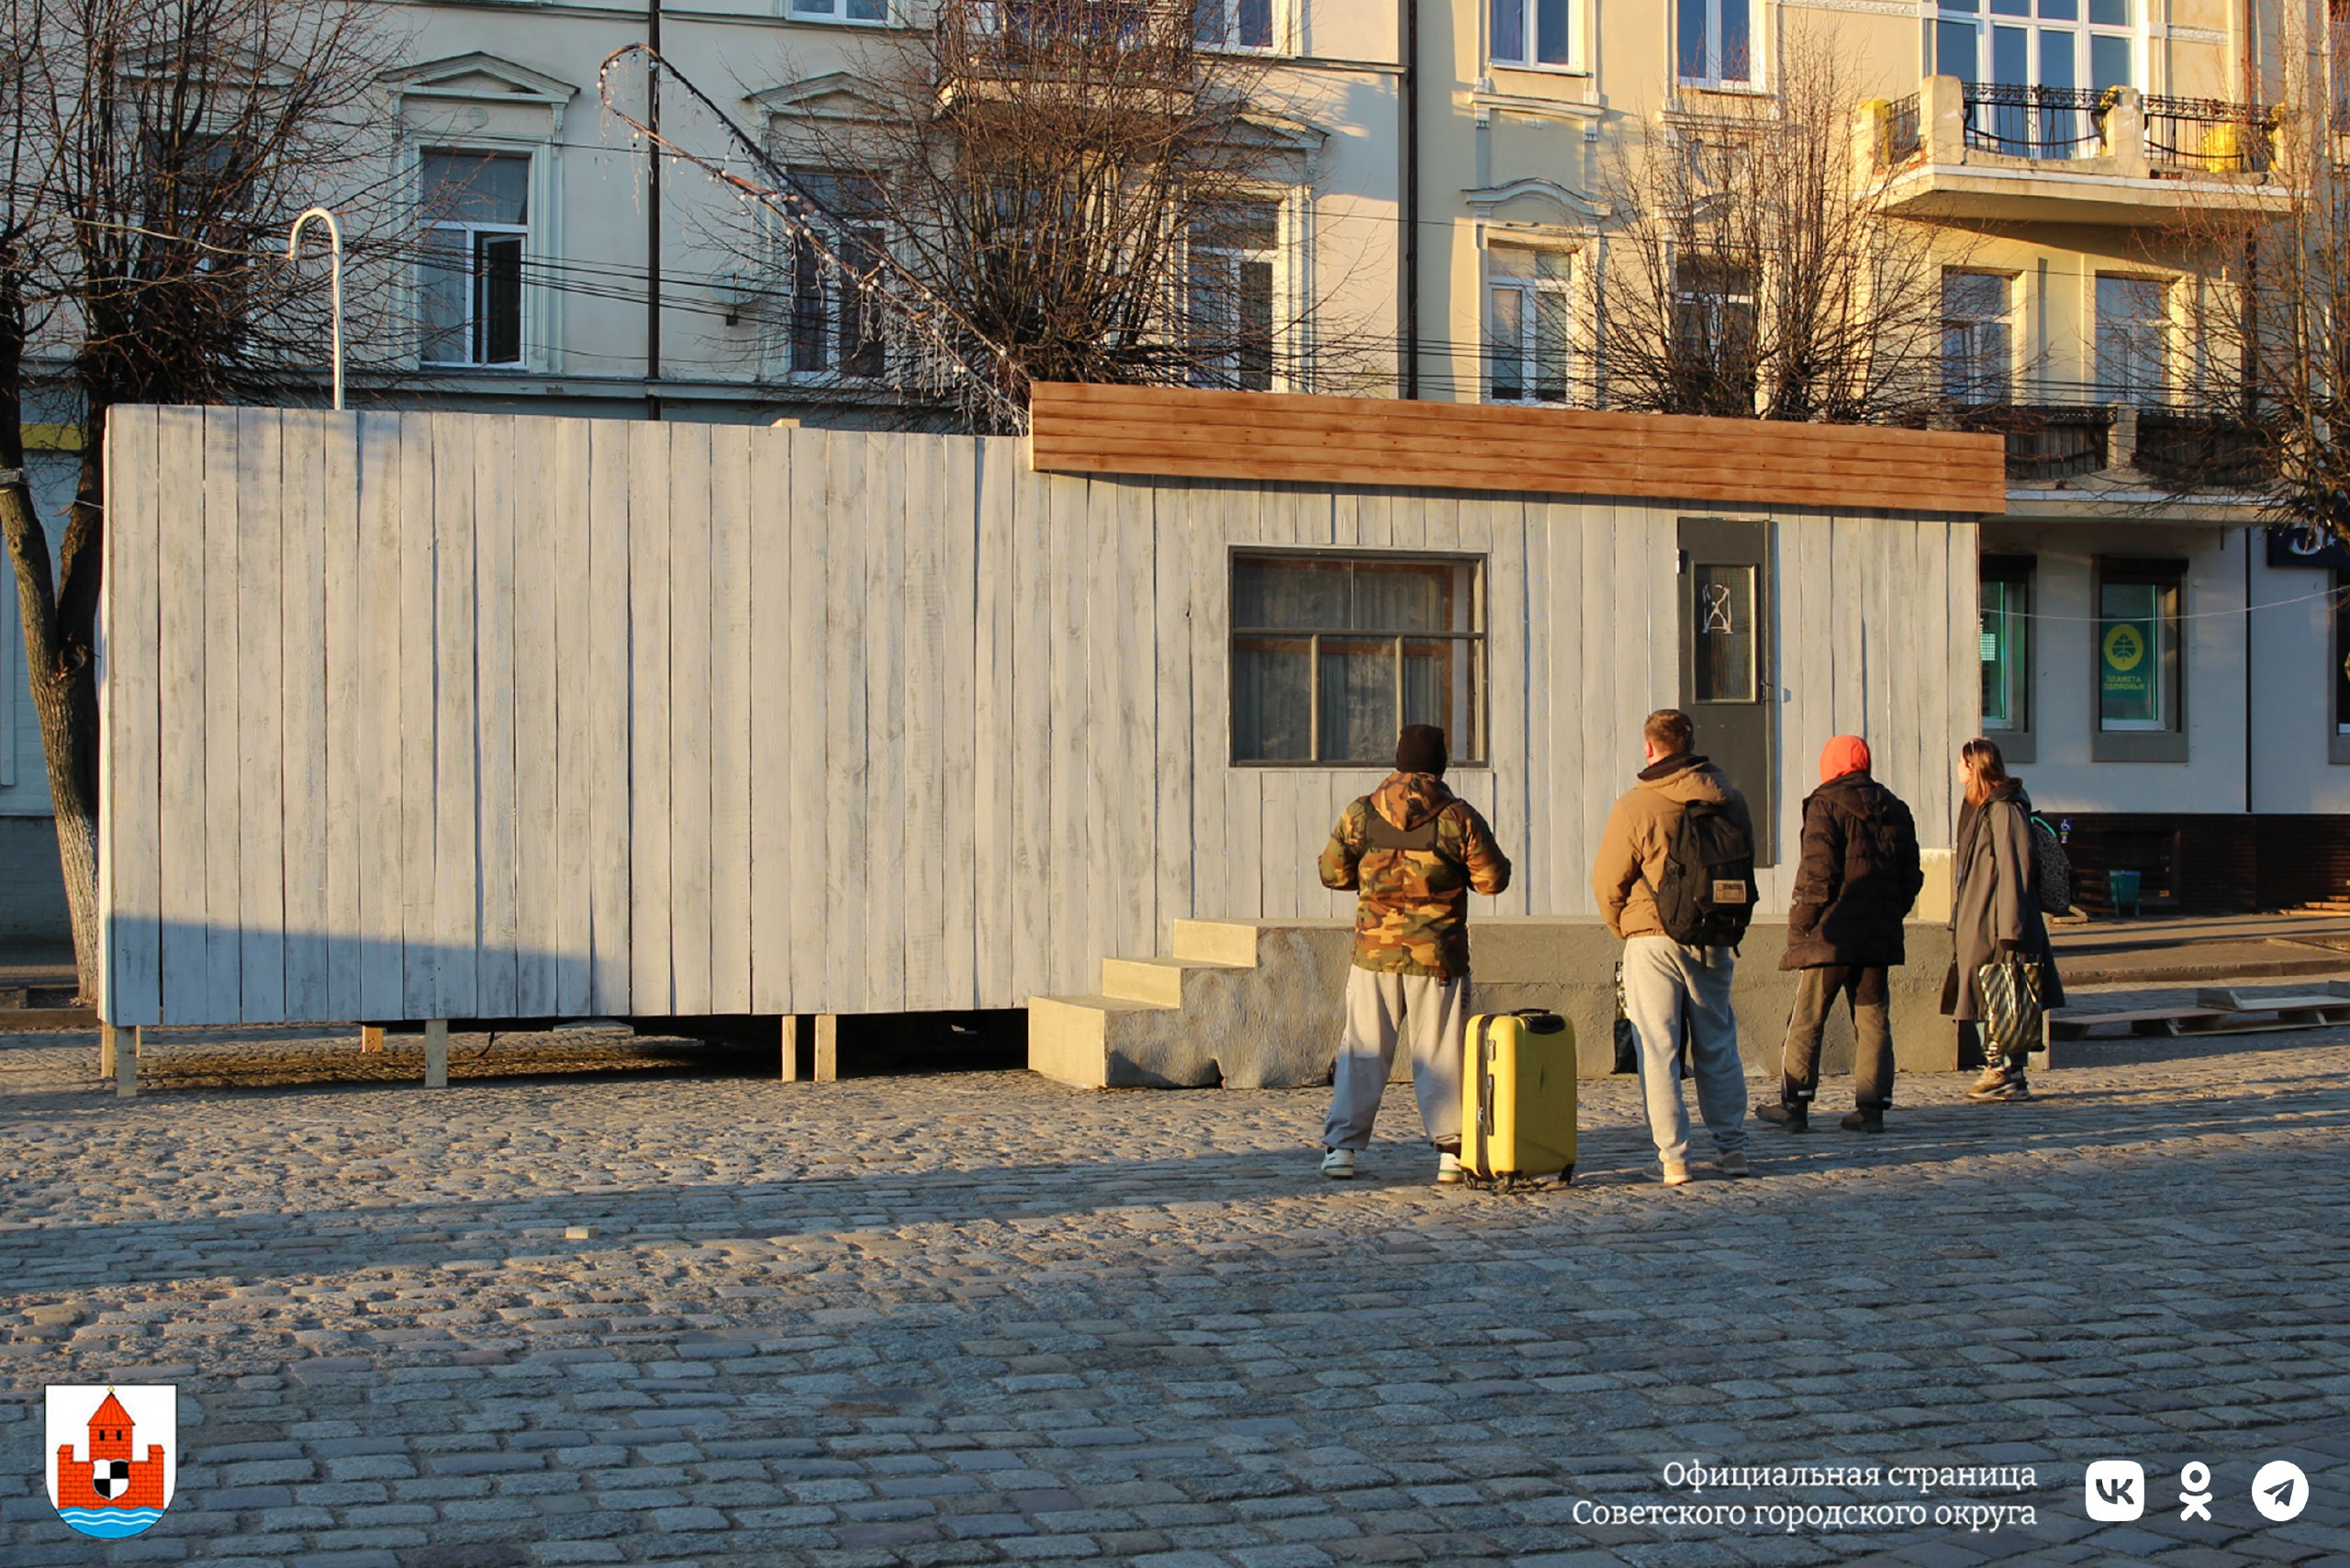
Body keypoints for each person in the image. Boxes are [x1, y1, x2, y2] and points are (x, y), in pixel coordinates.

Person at [1317, 723, 1513, 1183]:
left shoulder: (1360, 814)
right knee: (1442, 1053)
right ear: (1441, 764)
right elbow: (1493, 881)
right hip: (1437, 958)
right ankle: (1451, 1152)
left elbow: (1331, 873)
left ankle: (1341, 1150)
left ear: (1398, 761)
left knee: (1363, 1049)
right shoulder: (1458, 817)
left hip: (1373, 956)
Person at [1593, 709, 1756, 1185]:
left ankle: (1674, 1158)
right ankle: (1732, 1150)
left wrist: (1623, 927)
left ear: (1649, 747)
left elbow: (1608, 881)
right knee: (1718, 1044)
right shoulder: (1730, 798)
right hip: (1714, 936)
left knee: (1658, 1047)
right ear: (1689, 743)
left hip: (1652, 937)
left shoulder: (1635, 806)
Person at [1756, 735, 1924, 1135]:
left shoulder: (1825, 803)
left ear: (1830, 764)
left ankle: (1794, 1105)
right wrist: (1888, 914)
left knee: (1808, 1019)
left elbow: (1819, 873)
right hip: (1876, 935)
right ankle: (1872, 1108)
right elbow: (1911, 876)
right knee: (1872, 1020)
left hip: (1831, 933)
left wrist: (1801, 927)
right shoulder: (1895, 808)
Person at [1943, 736, 2066, 1102]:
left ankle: (2000, 1070)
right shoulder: (1982, 806)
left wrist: (2010, 929)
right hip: (1980, 916)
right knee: (1994, 994)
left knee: (2001, 992)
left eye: (1962, 763)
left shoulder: (2004, 809)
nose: (1958, 769)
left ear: (1975, 766)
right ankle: (2008, 1071)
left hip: (1997, 921)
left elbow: (2015, 868)